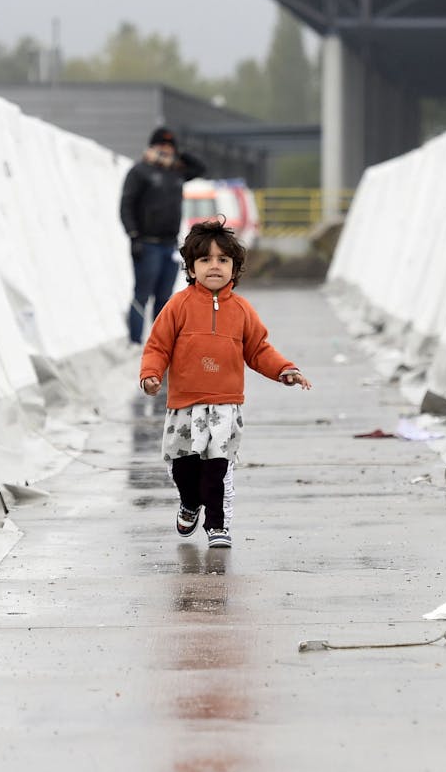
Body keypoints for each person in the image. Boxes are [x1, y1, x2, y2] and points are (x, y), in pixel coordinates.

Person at [138, 219, 312, 548]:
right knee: (183, 468)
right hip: (185, 404)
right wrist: (151, 374)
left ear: (235, 267)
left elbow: (259, 349)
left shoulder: (243, 310)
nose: (214, 267)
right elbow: (158, 346)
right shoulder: (178, 305)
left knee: (216, 468)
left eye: (223, 260)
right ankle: (189, 504)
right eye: (205, 260)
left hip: (224, 405)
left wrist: (284, 370)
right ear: (190, 269)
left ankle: (216, 524)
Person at [120, 126, 206, 344]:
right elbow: (126, 205)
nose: (165, 151)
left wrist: (180, 153)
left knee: (164, 298)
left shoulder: (176, 172)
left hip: (170, 245)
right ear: (151, 148)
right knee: (142, 295)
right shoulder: (140, 171)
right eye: (161, 146)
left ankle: (160, 344)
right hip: (147, 244)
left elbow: (201, 167)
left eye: (169, 147)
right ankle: (135, 341)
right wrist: (133, 235)